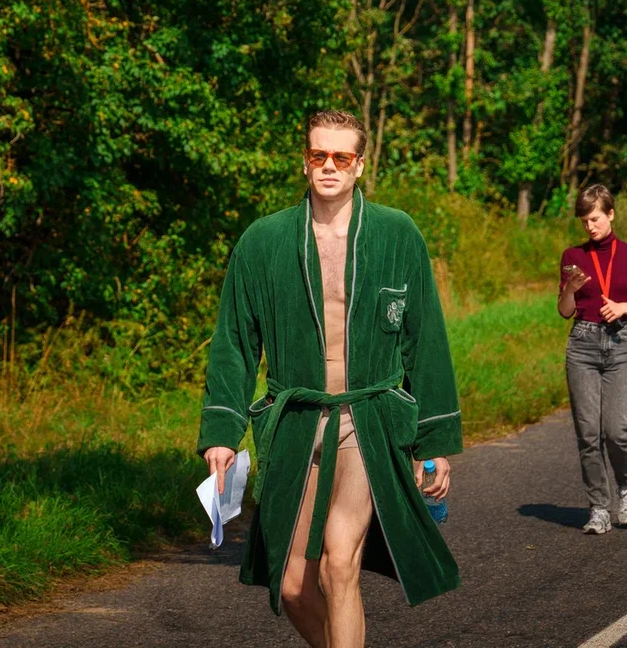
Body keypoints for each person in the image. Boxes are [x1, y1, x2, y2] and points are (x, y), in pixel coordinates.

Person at [197, 110, 462, 647]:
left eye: (342, 157)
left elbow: (426, 340)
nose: (329, 166)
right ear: (305, 162)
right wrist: (222, 433)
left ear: (360, 164)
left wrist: (432, 441)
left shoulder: (396, 234)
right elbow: (234, 343)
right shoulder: (264, 241)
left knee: (340, 564)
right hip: (295, 420)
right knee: (293, 586)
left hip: (368, 419)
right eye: (319, 155)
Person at [557, 184, 627, 535]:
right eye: (584, 221)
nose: (590, 226)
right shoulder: (572, 255)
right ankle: (598, 507)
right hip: (582, 345)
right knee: (588, 434)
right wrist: (570, 288)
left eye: (595, 218)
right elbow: (564, 311)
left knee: (616, 430)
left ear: (611, 214)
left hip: (619, 344)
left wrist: (623, 307)